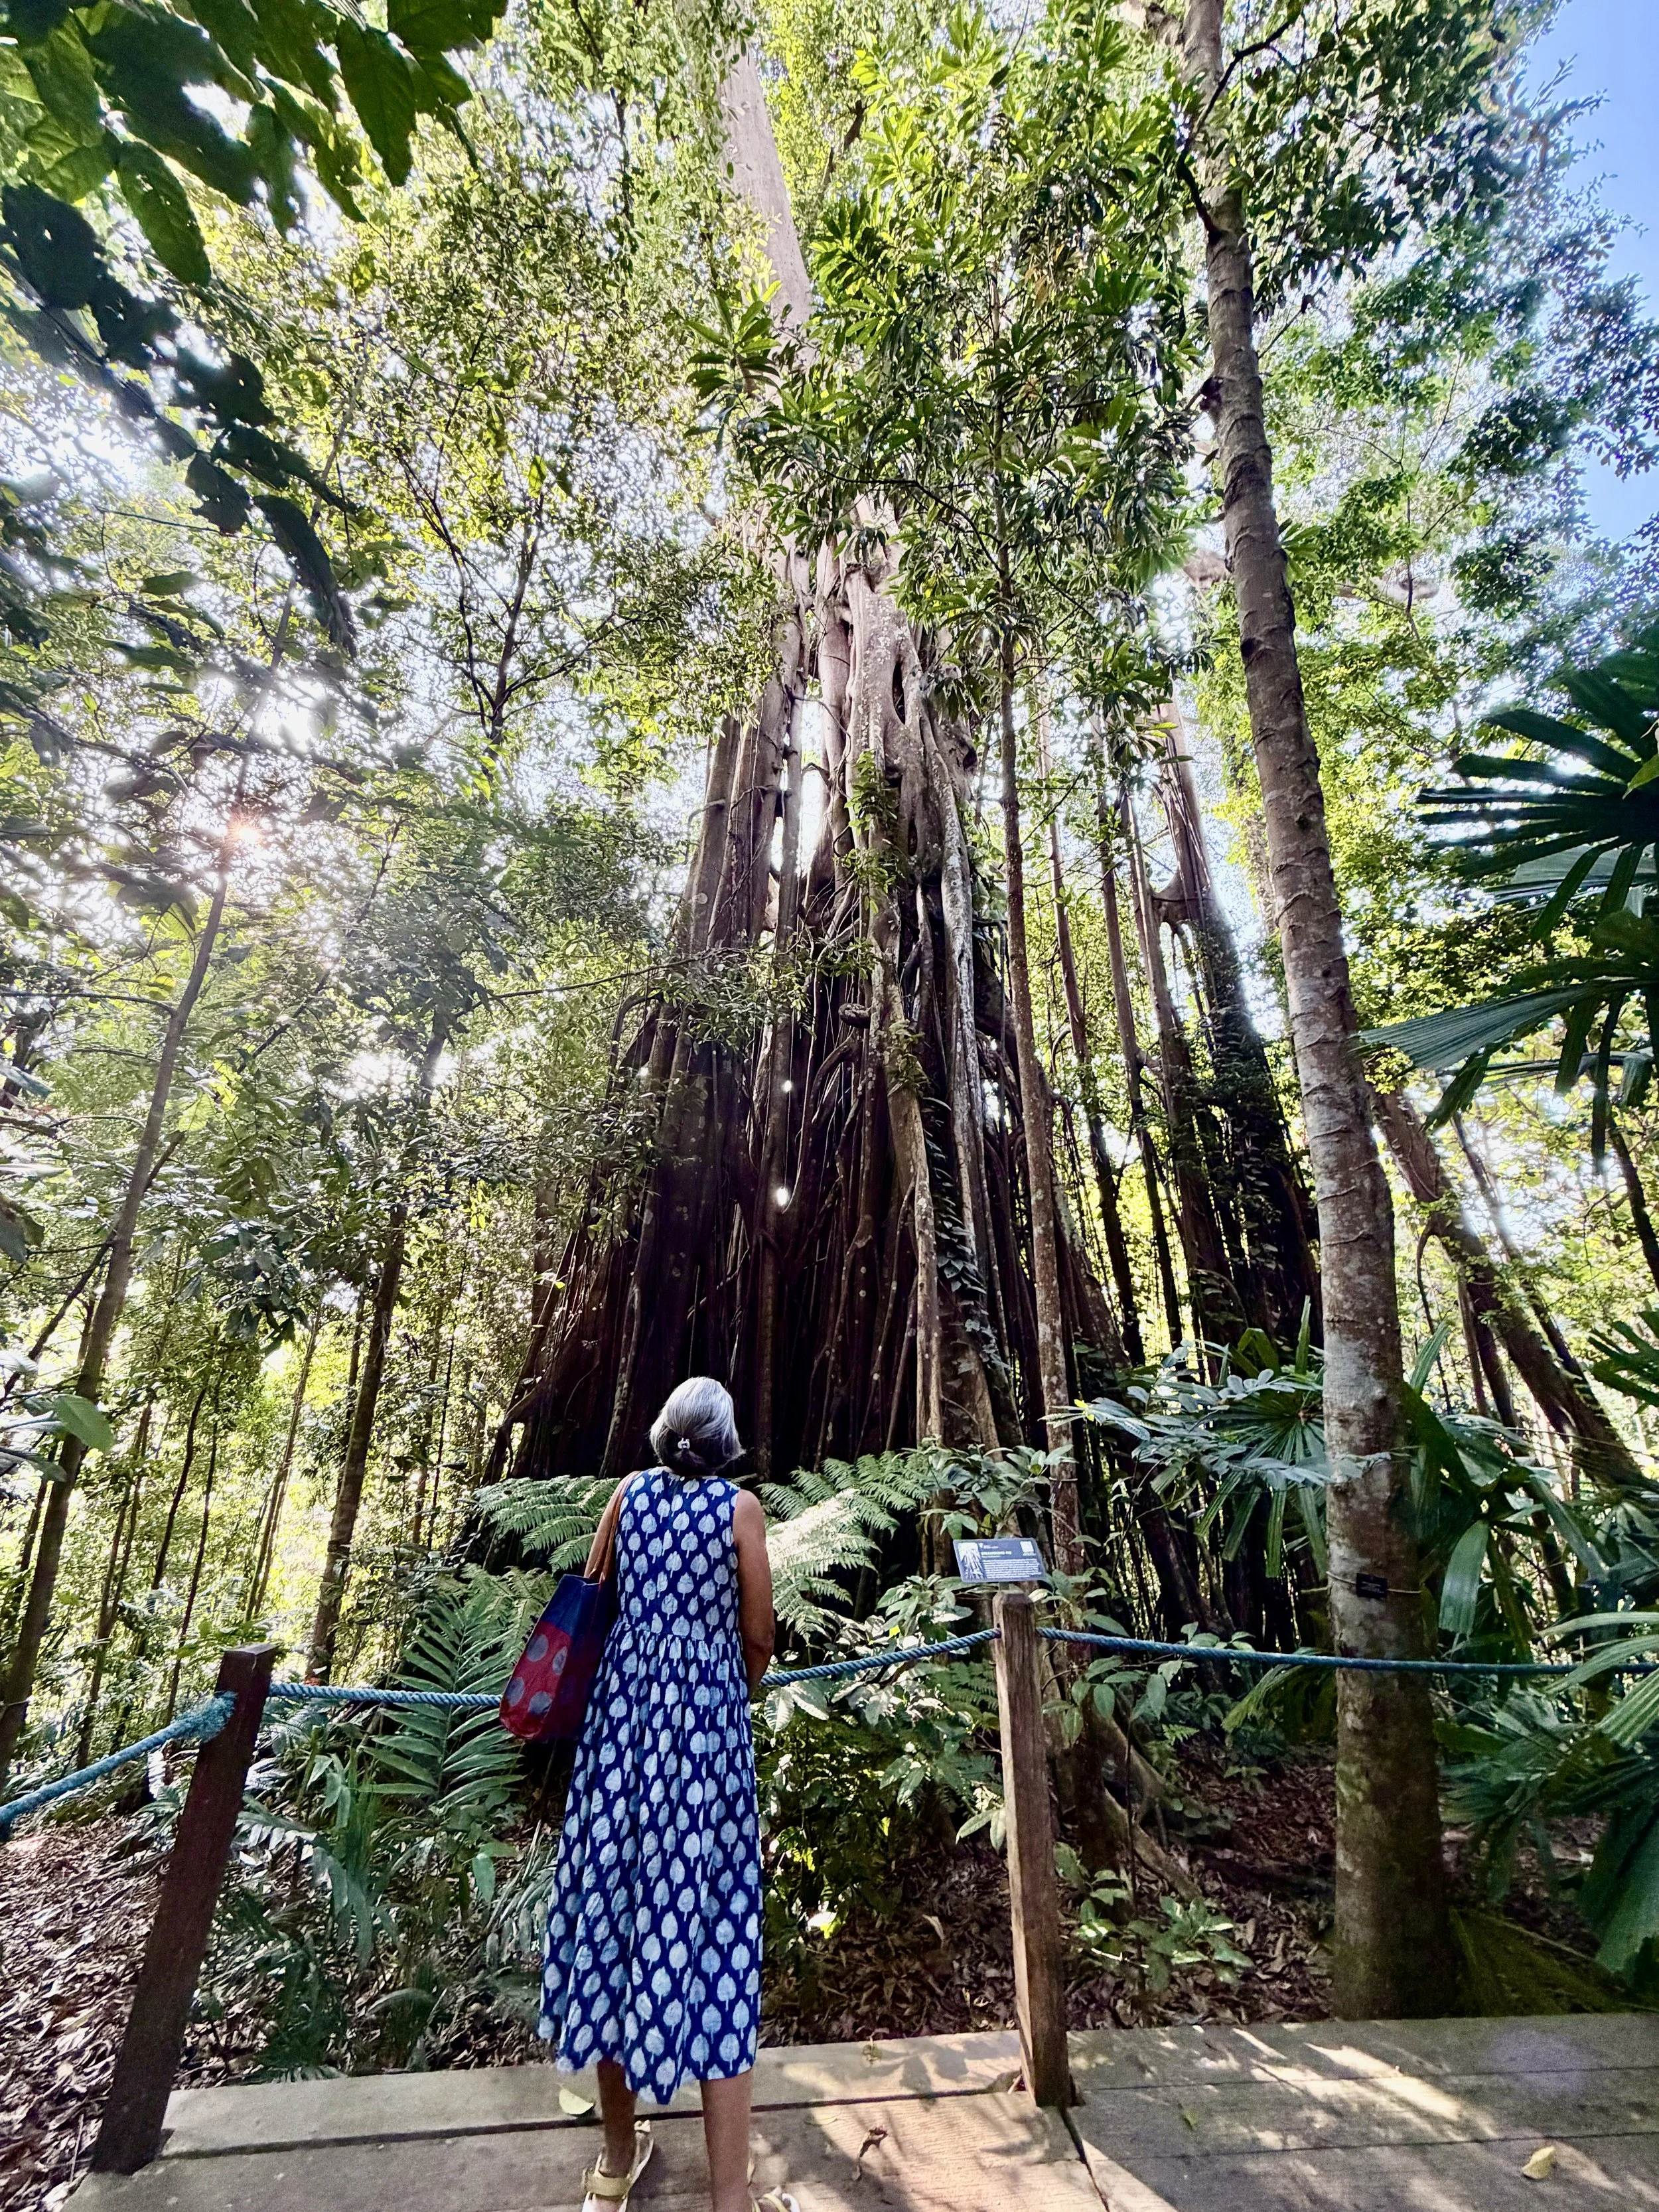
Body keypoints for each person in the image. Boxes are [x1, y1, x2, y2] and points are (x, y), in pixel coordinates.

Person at [539, 1376, 792, 2212]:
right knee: (716, 1934)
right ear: (724, 1442)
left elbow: (595, 1591)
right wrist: (721, 1679)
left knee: (612, 1924)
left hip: (618, 1743)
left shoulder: (626, 1497)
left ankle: (616, 2165)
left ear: (662, 1433)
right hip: (705, 1754)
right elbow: (759, 1633)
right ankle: (729, 2199)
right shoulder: (739, 1513)